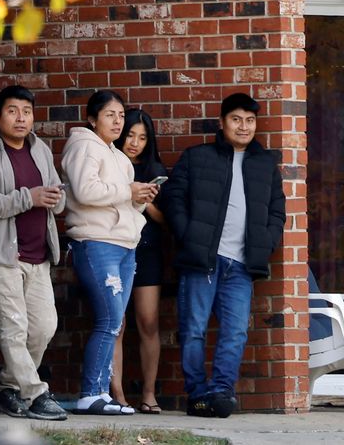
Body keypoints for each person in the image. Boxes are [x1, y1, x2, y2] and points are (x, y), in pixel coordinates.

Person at [163, 92, 286, 418]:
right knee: (194, 329)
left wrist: (267, 243)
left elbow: (277, 211)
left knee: (235, 332)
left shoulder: (265, 164)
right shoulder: (197, 157)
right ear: (222, 122)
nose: (244, 126)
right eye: (236, 119)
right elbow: (173, 198)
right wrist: (188, 235)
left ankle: (220, 392)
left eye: (250, 120)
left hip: (242, 264)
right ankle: (197, 395)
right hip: (202, 259)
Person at [0, 84, 68, 421]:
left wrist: (56, 198)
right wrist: (29, 198)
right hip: (1, 258)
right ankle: (35, 394)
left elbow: (56, 195)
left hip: (38, 257)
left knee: (43, 328)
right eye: (12, 111)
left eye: (26, 111)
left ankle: (6, 386)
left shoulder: (40, 150)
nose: (21, 118)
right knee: (13, 328)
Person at [61, 90, 159, 416]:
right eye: (109, 115)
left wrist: (140, 198)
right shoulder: (84, 146)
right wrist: (128, 190)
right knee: (108, 320)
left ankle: (101, 392)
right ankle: (91, 393)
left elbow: (121, 202)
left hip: (125, 245)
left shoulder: (118, 156)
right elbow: (85, 191)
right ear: (92, 119)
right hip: (96, 241)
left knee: (114, 322)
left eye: (120, 115)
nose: (117, 122)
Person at [109, 109, 168, 414]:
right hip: (114, 247)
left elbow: (166, 219)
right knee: (116, 324)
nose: (135, 143)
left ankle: (148, 394)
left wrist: (144, 202)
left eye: (142, 138)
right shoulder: (109, 163)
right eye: (130, 135)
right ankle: (117, 394)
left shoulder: (154, 169)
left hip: (147, 251)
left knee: (148, 321)